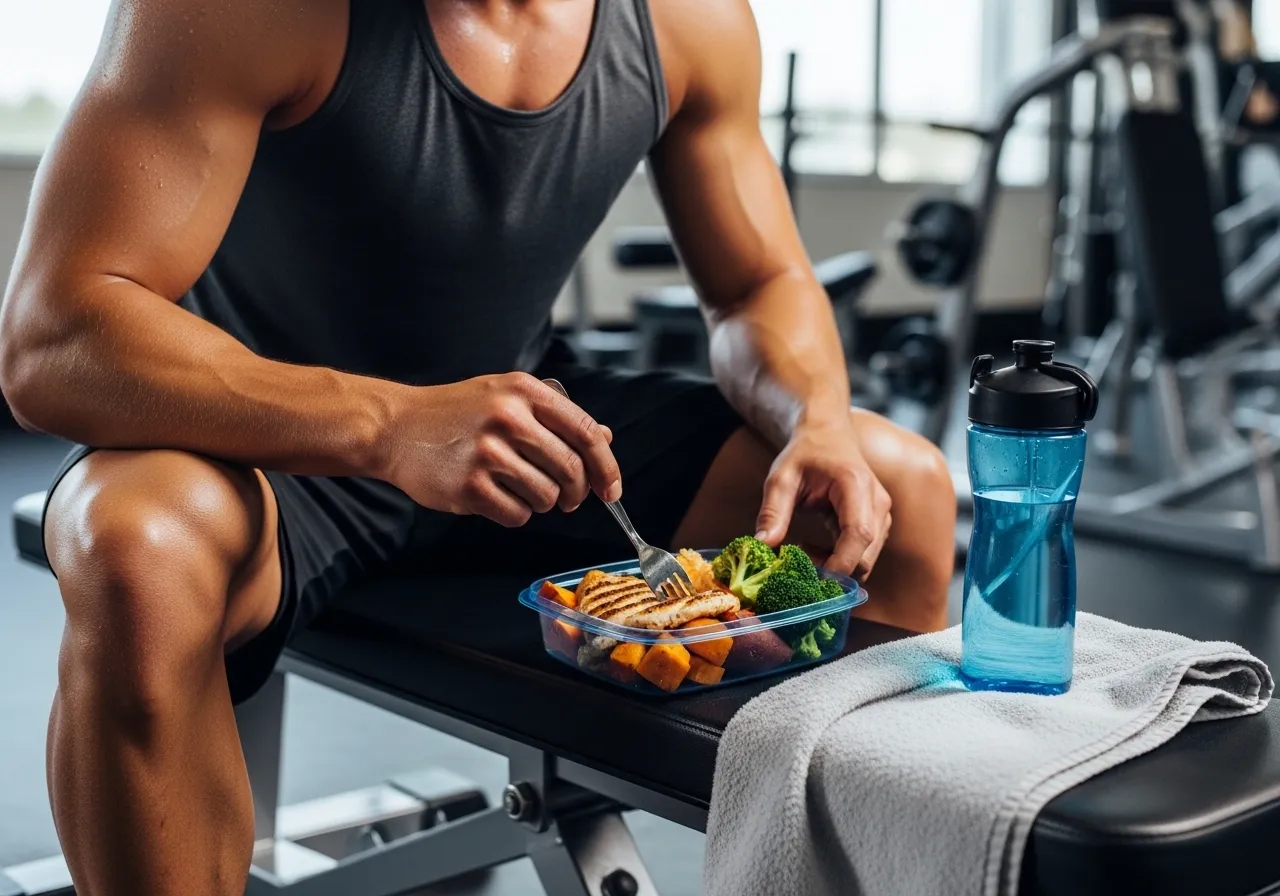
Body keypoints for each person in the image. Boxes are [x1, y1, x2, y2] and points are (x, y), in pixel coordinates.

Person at [0, 0, 956, 891]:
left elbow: (757, 285)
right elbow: (55, 333)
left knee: (892, 485)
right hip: (274, 440)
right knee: (134, 549)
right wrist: (388, 425)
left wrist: (817, 418)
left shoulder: (683, 17)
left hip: (521, 429)